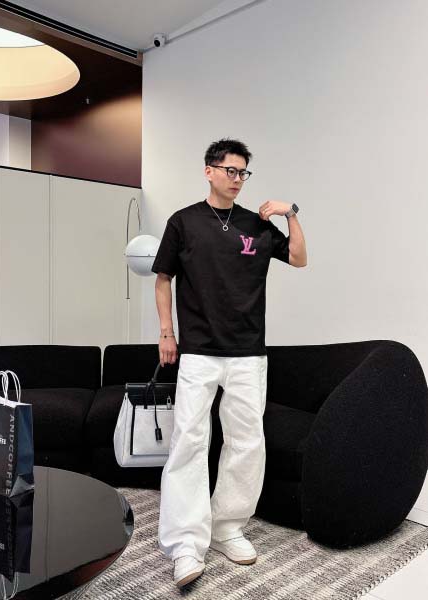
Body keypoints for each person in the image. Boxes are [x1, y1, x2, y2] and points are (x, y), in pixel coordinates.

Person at [151, 137, 307, 588]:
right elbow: (162, 279)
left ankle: (226, 527)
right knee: (188, 442)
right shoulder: (183, 222)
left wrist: (291, 214)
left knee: (246, 442)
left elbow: (299, 259)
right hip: (199, 351)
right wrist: (167, 332)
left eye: (243, 173)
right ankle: (185, 544)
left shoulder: (256, 225)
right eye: (230, 171)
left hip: (248, 353)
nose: (238, 179)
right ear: (209, 171)